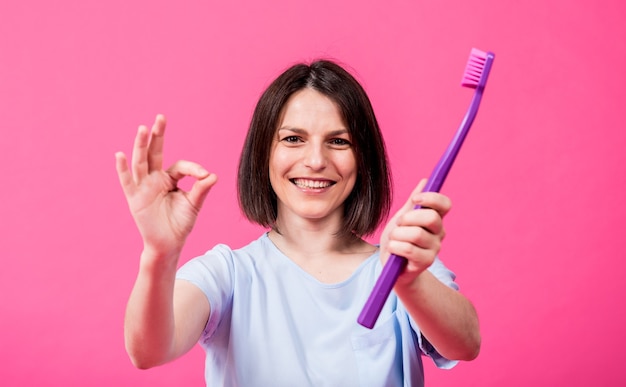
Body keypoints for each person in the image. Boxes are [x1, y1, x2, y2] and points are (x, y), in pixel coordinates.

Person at [115, 59, 480, 386]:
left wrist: (407, 281)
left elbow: (465, 343)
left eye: (338, 141)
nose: (316, 161)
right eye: (293, 139)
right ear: (264, 155)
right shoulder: (228, 274)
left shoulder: (401, 269)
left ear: (363, 159)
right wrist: (159, 253)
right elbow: (148, 352)